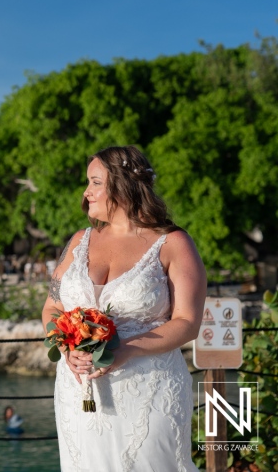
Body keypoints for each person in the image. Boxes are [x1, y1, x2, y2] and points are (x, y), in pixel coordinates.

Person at [41, 146, 205, 471]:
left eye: (95, 182)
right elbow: (51, 309)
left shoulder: (173, 243)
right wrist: (64, 346)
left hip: (149, 389)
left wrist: (126, 349)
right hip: (79, 394)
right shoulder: (78, 242)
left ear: (124, 184)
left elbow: (188, 322)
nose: (87, 193)